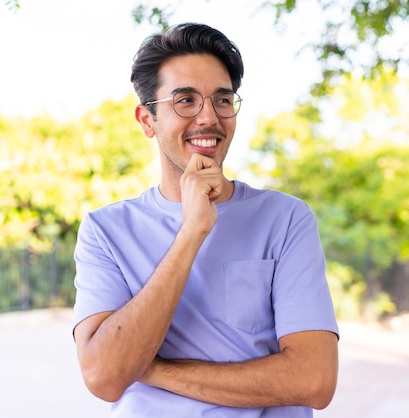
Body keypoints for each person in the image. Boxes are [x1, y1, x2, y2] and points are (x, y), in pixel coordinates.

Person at [72, 22, 339, 417]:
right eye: (185, 101)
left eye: (222, 100)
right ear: (147, 120)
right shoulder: (104, 232)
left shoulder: (286, 220)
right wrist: (191, 232)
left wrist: (153, 370)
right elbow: (104, 377)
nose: (208, 117)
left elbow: (314, 381)